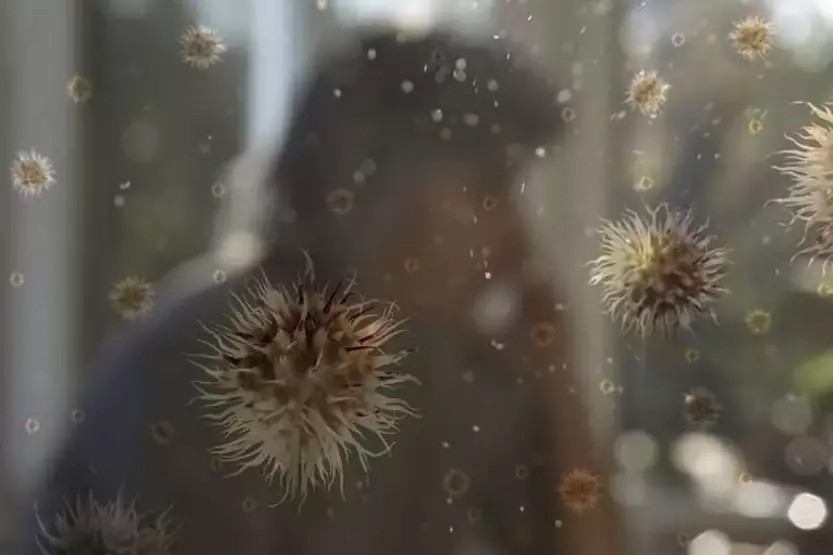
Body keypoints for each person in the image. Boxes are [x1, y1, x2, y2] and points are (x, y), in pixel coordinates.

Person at [25, 29, 622, 555]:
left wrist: (559, 394)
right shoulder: (194, 373)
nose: (518, 241)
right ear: (366, 183)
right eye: (487, 188)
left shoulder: (445, 369)